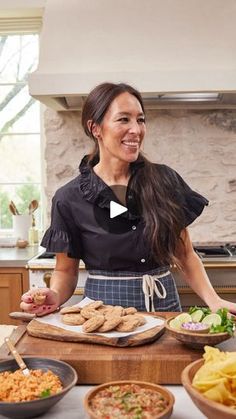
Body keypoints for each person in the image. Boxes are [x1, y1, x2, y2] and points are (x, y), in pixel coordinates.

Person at [21, 82, 236, 316]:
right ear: (95, 128)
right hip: (102, 315)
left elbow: (185, 254)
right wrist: (55, 295)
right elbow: (65, 271)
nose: (136, 130)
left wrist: (214, 301)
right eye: (124, 119)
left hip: (163, 309)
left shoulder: (165, 181)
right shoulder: (68, 198)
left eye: (140, 120)